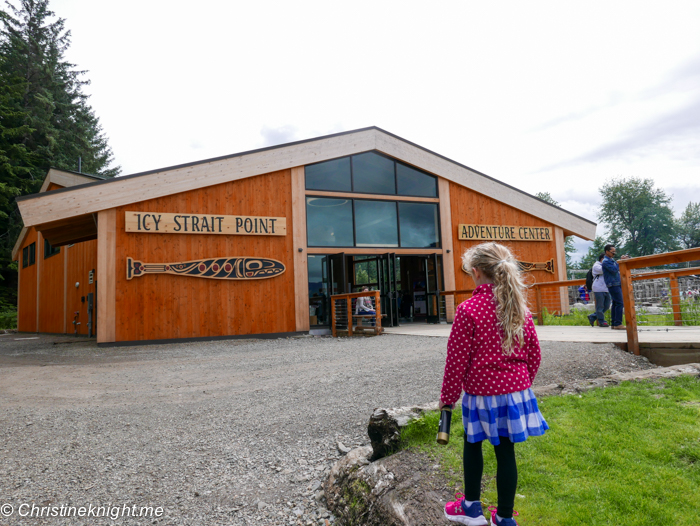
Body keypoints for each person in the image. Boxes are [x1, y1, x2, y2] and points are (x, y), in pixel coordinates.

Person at [441, 242, 548, 526]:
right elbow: (534, 354)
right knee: (506, 451)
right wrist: (519, 386)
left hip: (481, 396)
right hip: (515, 394)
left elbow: (456, 362)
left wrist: (448, 398)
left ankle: (471, 508)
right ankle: (504, 518)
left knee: (472, 443)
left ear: (476, 272)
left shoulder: (469, 310)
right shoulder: (518, 307)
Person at [601, 244, 630, 330]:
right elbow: (614, 270)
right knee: (620, 303)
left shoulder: (611, 260)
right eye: (612, 252)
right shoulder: (606, 261)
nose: (614, 254)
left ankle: (614, 323)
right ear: (607, 252)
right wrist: (620, 261)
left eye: (614, 252)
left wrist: (619, 261)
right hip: (613, 284)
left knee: (615, 303)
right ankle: (618, 323)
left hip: (615, 283)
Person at [587, 254, 611, 327]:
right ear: (602, 259)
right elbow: (604, 270)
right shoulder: (596, 265)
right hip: (598, 288)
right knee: (600, 306)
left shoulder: (606, 265)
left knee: (607, 305)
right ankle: (601, 321)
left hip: (606, 288)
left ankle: (593, 316)